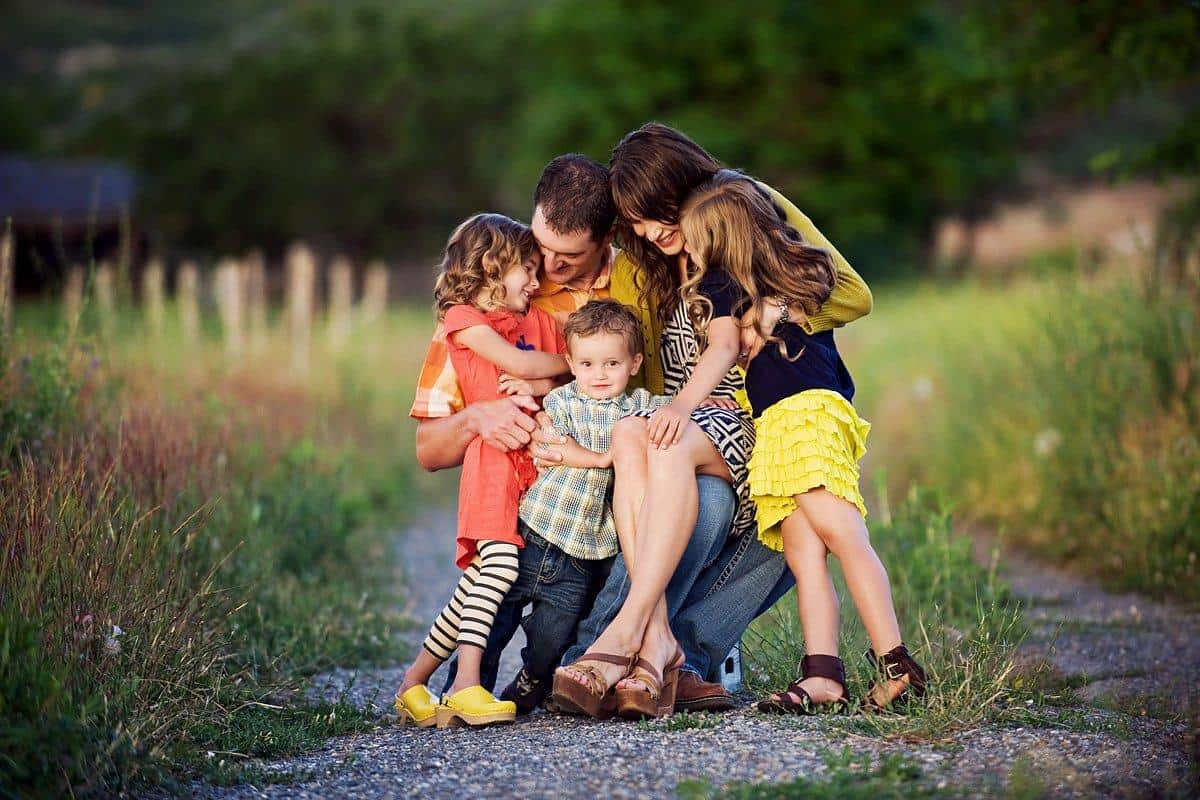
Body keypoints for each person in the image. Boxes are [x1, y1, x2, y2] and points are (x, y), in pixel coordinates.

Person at [412, 155, 783, 713]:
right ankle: (522, 675)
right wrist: (475, 418)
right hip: (548, 493)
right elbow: (429, 451)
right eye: (541, 246)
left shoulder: (642, 276)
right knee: (693, 505)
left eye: (568, 255)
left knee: (762, 510)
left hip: (633, 460)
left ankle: (662, 658)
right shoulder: (498, 297)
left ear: (607, 238)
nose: (546, 264)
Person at [553, 123, 874, 719]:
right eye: (638, 221)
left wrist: (769, 312)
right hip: (681, 424)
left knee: (719, 495)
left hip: (746, 415)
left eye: (658, 212)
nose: (653, 231)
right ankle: (659, 649)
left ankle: (626, 640)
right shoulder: (645, 263)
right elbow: (619, 352)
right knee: (649, 452)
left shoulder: (744, 208)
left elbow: (853, 295)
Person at [678, 169, 927, 712]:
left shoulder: (724, 282)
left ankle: (896, 661)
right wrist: (737, 401)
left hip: (803, 418)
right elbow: (777, 368)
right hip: (785, 421)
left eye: (695, 240)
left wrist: (685, 404)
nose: (689, 252)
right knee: (802, 549)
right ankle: (823, 675)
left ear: (718, 241)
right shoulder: (787, 281)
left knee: (841, 533)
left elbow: (738, 356)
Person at [394, 213, 568, 729]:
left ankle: (412, 683)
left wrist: (550, 383)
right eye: (528, 271)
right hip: (492, 464)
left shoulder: (535, 322)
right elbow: (525, 366)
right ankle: (468, 684)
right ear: (493, 267)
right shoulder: (463, 321)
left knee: (474, 585)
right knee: (497, 570)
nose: (537, 283)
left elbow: (557, 386)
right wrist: (559, 367)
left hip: (528, 467)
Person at [491, 299, 671, 715]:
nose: (600, 374)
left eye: (611, 363)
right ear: (571, 363)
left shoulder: (638, 405)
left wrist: (709, 406)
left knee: (552, 632)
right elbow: (556, 448)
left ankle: (534, 677)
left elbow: (673, 412)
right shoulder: (562, 402)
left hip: (584, 550)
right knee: (497, 612)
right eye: (587, 364)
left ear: (634, 362)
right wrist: (602, 457)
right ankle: (467, 684)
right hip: (538, 531)